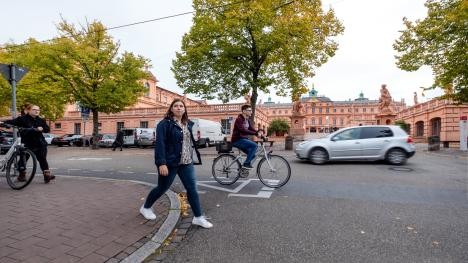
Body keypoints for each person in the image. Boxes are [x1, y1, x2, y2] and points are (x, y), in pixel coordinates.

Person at [140, 99, 213, 228]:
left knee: (192, 189)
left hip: (186, 162)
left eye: (181, 106)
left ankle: (198, 217)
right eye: (176, 106)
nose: (179, 108)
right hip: (170, 163)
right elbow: (160, 144)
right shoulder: (164, 124)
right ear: (171, 109)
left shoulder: (187, 124)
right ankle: (146, 207)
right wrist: (161, 163)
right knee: (162, 188)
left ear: (184, 109)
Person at [0, 104, 55, 183]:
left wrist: (42, 128)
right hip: (27, 143)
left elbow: (47, 129)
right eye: (34, 109)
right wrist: (2, 122)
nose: (37, 111)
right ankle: (22, 174)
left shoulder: (41, 120)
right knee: (23, 159)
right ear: (28, 110)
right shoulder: (22, 119)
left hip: (40, 143)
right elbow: (12, 122)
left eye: (38, 110)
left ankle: (46, 175)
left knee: (42, 159)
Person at [231, 104, 263, 169]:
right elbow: (243, 130)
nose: (251, 112)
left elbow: (251, 128)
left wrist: (258, 132)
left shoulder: (247, 120)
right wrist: (255, 133)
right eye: (249, 110)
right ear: (244, 111)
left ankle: (242, 169)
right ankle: (246, 164)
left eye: (251, 110)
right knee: (254, 145)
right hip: (237, 140)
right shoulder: (239, 119)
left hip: (243, 139)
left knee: (252, 155)